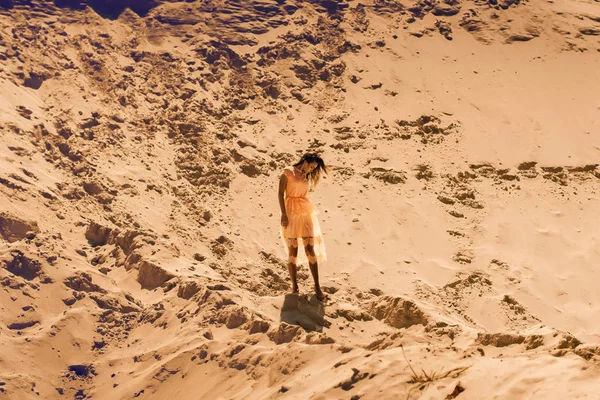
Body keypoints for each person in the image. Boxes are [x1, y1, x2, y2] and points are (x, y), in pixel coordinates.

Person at [278, 153, 328, 301]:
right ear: (305, 162)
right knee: (293, 249)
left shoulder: (306, 176)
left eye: (314, 168)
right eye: (311, 166)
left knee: (310, 248)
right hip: (291, 212)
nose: (311, 170)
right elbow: (280, 193)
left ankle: (317, 287)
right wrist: (283, 214)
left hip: (305, 212)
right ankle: (294, 287)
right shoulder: (288, 172)